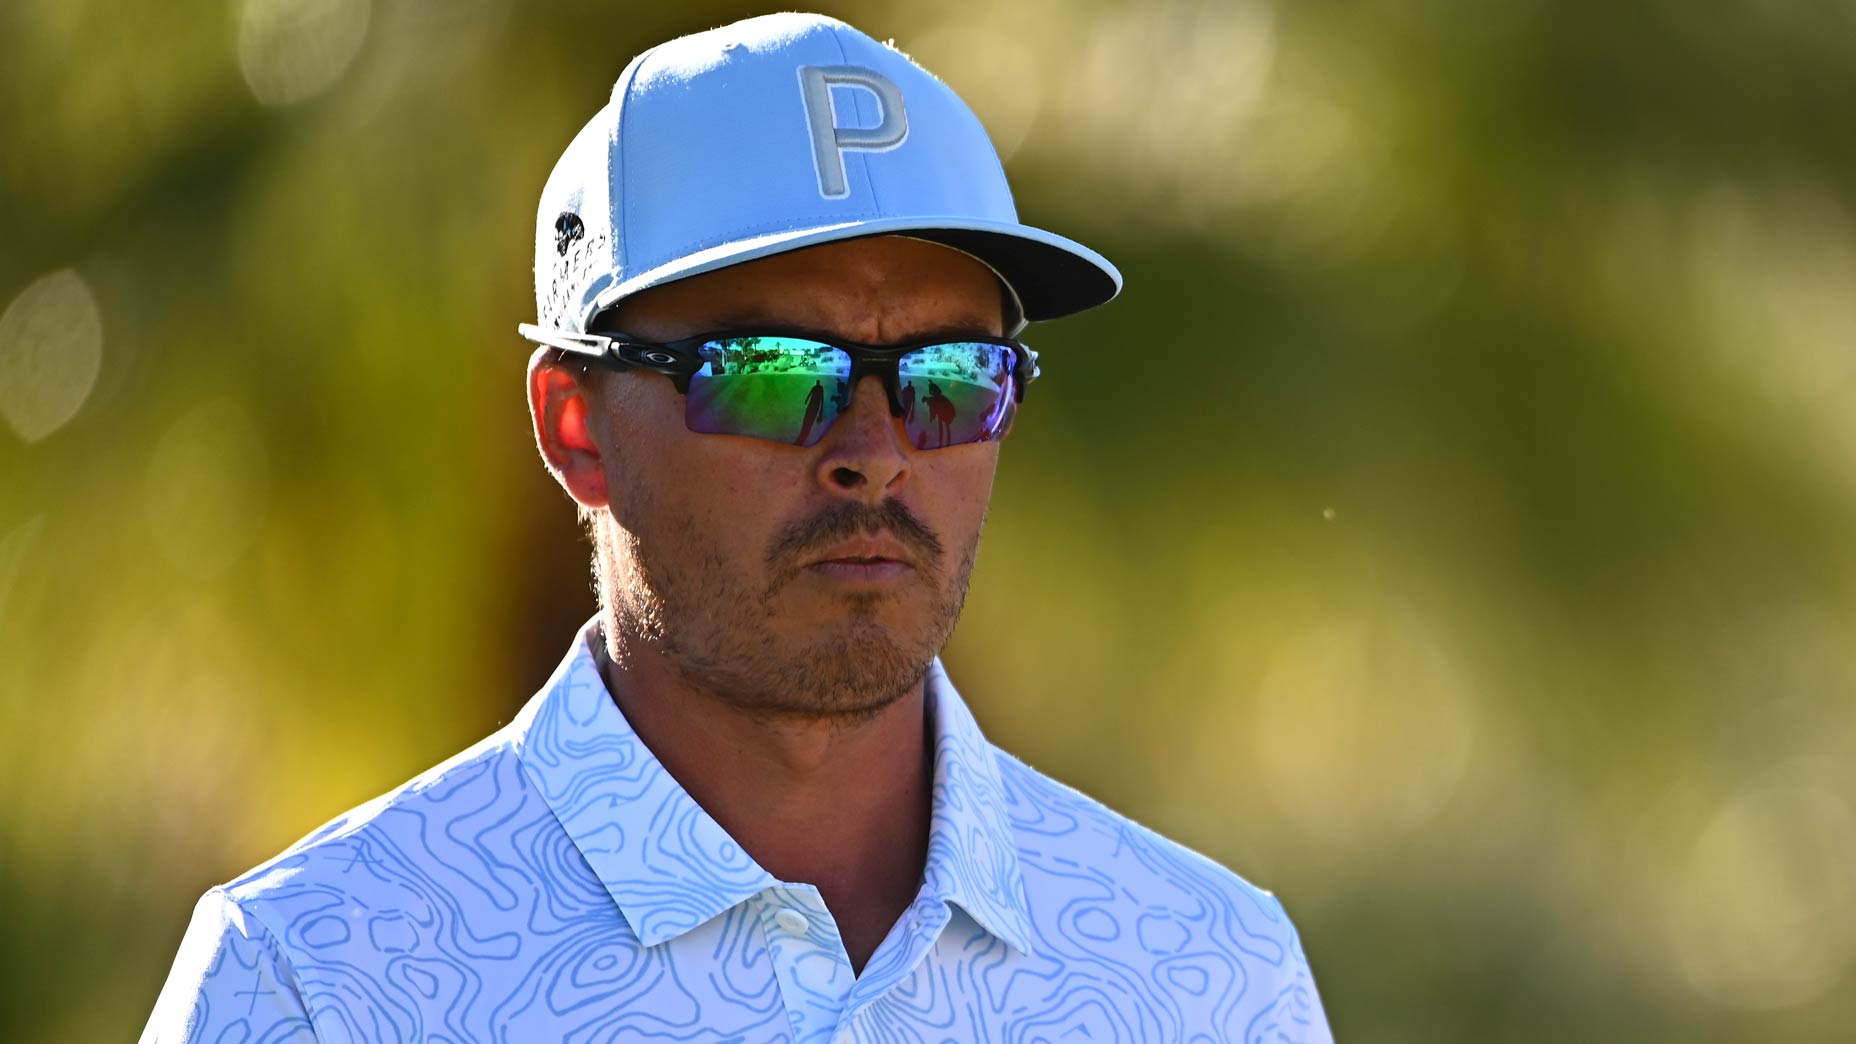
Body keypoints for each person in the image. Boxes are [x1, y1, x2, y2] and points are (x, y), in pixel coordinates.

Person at [139, 13, 1334, 1043]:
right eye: (769, 372)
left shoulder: (1208, 976)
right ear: (574, 426)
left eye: (951, 377)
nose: (875, 451)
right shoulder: (321, 976)